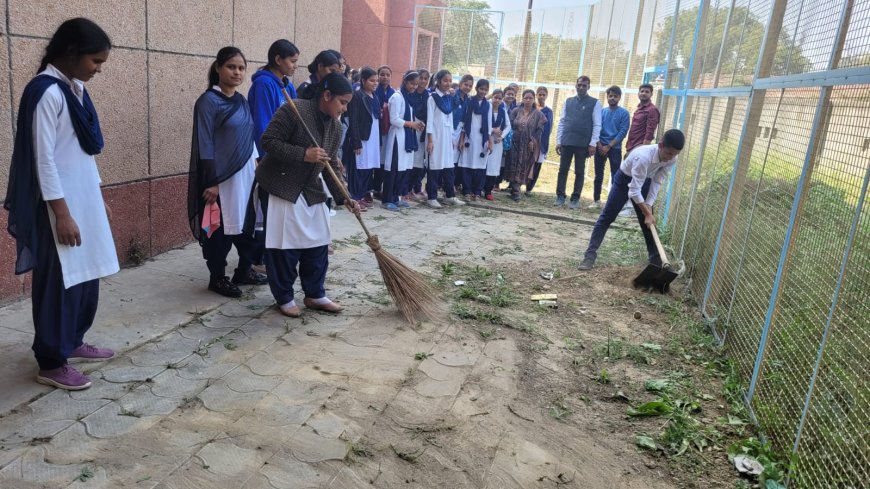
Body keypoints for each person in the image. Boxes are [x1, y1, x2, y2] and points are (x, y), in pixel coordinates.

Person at [4, 18, 118, 390]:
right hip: (58, 207)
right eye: (95, 61)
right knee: (59, 282)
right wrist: (63, 214)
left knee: (85, 276)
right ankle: (51, 361)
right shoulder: (47, 92)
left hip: (82, 199)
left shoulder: (75, 88)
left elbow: (83, 153)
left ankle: (73, 340)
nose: (98, 69)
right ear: (72, 53)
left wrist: (97, 199)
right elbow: (44, 160)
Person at [256, 73, 361, 317]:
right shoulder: (294, 109)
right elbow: (268, 141)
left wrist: (345, 196)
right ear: (327, 95)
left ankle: (315, 294)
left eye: (347, 104)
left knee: (319, 239)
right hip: (281, 184)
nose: (344, 109)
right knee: (284, 245)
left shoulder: (335, 127)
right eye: (342, 102)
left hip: (311, 187)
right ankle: (284, 296)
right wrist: (304, 154)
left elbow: (331, 165)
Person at [189, 47, 267, 299]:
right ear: (218, 68)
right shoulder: (208, 102)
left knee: (247, 225)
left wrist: (256, 163)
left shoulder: (241, 100)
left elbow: (248, 135)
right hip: (221, 178)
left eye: (241, 68)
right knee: (219, 229)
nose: (237, 72)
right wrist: (212, 182)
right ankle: (217, 277)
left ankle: (244, 271)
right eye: (231, 67)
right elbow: (205, 143)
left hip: (245, 174)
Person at [577, 129, 684, 271]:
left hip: (646, 180)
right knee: (606, 217)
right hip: (623, 181)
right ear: (661, 145)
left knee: (648, 225)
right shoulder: (643, 157)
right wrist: (647, 213)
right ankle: (589, 256)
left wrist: (649, 207)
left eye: (675, 154)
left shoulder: (672, 158)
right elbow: (633, 190)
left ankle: (657, 262)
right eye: (669, 153)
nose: (670, 158)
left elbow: (657, 181)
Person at [555, 75, 602, 209]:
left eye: (584, 85)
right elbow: (562, 121)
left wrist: (593, 143)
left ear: (588, 87)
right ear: (576, 85)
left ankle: (575, 198)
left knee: (579, 172)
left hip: (582, 144)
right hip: (567, 141)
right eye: (579, 85)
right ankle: (560, 196)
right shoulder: (568, 101)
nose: (581, 87)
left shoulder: (595, 103)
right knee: (563, 170)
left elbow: (597, 124)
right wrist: (559, 141)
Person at [248, 40, 300, 156]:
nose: (295, 66)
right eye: (292, 61)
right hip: (270, 154)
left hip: (285, 150)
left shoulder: (288, 85)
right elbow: (262, 123)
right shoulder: (263, 84)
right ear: (278, 60)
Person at [382, 71, 425, 211]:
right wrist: (411, 124)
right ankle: (387, 199)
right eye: (412, 83)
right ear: (405, 81)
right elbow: (394, 119)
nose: (414, 86)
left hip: (407, 137)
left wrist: (416, 124)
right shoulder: (397, 97)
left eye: (416, 84)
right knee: (393, 169)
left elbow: (410, 118)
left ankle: (396, 197)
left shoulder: (409, 98)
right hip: (397, 138)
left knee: (403, 169)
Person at [619, 83, 661, 217]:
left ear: (651, 94)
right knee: (628, 174)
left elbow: (650, 131)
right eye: (641, 91)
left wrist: (643, 148)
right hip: (631, 146)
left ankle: (631, 207)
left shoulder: (652, 110)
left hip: (640, 148)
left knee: (636, 177)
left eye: (646, 92)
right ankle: (626, 204)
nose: (643, 93)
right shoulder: (639, 108)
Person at [341, 66, 379, 210]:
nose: (374, 83)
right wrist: (356, 141)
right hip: (362, 137)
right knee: (358, 167)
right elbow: (354, 120)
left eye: (376, 81)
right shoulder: (357, 96)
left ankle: (363, 194)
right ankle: (355, 196)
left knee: (368, 167)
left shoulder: (375, 96)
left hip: (372, 137)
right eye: (371, 81)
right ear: (363, 80)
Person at [425, 70, 464, 208]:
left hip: (447, 138)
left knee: (448, 167)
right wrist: (430, 140)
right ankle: (431, 197)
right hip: (435, 138)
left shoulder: (449, 97)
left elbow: (450, 117)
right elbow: (429, 121)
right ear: (438, 81)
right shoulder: (432, 98)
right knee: (434, 167)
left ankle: (450, 195)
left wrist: (452, 138)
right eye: (445, 80)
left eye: (450, 80)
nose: (448, 83)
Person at [590, 85, 630, 209]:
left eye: (615, 96)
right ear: (607, 97)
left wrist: (609, 146)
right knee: (598, 175)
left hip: (615, 149)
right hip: (600, 147)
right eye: (610, 96)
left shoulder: (624, 113)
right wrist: (599, 144)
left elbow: (623, 132)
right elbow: (596, 127)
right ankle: (596, 200)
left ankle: (612, 202)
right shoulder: (602, 112)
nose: (612, 98)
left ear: (619, 97)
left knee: (615, 175)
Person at [504, 90, 547, 202]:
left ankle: (516, 190)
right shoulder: (516, 110)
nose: (528, 100)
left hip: (528, 145)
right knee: (513, 164)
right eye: (526, 98)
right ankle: (515, 191)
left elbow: (540, 129)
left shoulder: (538, 114)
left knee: (524, 165)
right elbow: (509, 124)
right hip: (514, 142)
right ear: (522, 99)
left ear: (534, 99)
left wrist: (533, 141)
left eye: (530, 98)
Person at [458, 79, 493, 201]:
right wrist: (462, 139)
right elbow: (463, 122)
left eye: (485, 89)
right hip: (469, 137)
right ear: (476, 88)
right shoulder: (469, 101)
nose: (483, 91)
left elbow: (489, 124)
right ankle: (466, 190)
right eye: (481, 88)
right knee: (467, 164)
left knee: (480, 166)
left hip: (482, 139)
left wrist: (490, 141)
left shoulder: (488, 105)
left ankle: (477, 191)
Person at [525, 86, 554, 194]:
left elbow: (549, 127)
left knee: (536, 165)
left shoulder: (548, 111)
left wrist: (540, 140)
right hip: (527, 140)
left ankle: (529, 188)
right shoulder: (530, 108)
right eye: (539, 94)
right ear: (536, 95)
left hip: (541, 142)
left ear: (546, 96)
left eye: (543, 95)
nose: (541, 96)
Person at [372, 65, 395, 199]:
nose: (385, 77)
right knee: (375, 159)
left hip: (388, 131)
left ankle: (378, 188)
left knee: (384, 159)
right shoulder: (374, 91)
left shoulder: (393, 93)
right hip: (376, 129)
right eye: (382, 74)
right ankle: (373, 187)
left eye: (387, 75)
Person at [408, 69, 431, 201]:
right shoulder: (411, 94)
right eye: (420, 78)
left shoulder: (429, 96)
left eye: (425, 79)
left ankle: (416, 188)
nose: (422, 81)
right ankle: (408, 189)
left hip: (424, 130)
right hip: (412, 128)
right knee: (410, 161)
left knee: (419, 162)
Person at [484, 88, 511, 200]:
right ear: (492, 97)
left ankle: (488, 191)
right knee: (483, 165)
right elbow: (483, 123)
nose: (497, 100)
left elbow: (508, 126)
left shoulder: (503, 111)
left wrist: (502, 136)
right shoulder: (486, 108)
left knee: (493, 167)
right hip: (486, 140)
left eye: (500, 98)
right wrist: (492, 130)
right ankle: (478, 188)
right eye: (495, 97)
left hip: (497, 143)